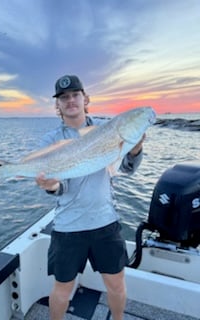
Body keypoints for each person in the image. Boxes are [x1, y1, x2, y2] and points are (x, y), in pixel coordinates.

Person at [36, 75, 145, 320]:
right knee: (63, 289)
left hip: (105, 222)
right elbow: (57, 186)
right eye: (63, 97)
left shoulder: (109, 129)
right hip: (68, 226)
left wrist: (135, 149)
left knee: (116, 284)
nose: (70, 100)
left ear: (85, 98)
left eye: (75, 95)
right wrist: (50, 186)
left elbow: (126, 168)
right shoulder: (51, 141)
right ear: (58, 105)